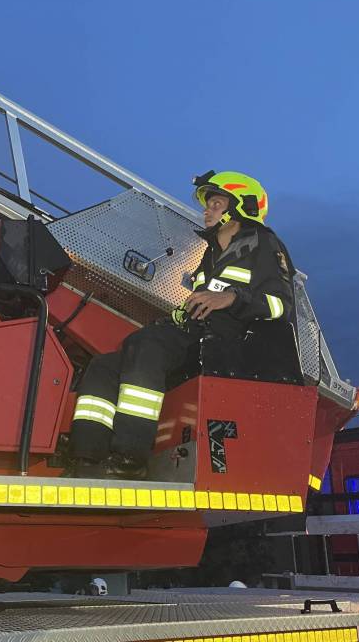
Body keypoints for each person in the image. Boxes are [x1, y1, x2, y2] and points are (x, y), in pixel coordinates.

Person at [65, 170, 295, 480]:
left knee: (148, 347)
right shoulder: (210, 253)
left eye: (216, 204)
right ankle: (86, 457)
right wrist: (176, 316)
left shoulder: (265, 244)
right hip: (194, 335)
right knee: (104, 366)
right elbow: (196, 303)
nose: (207, 211)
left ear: (242, 206)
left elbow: (281, 306)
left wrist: (232, 298)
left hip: (227, 341)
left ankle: (130, 457)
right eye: (208, 205)